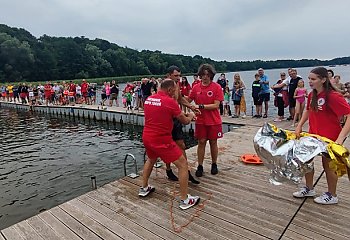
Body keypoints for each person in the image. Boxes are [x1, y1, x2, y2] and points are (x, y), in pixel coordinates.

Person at [140, 79, 200, 210]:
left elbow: (165, 112)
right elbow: (184, 121)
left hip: (147, 137)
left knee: (151, 159)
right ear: (170, 90)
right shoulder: (170, 102)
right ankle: (185, 200)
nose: (176, 93)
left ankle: (144, 188)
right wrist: (190, 115)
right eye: (175, 90)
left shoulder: (149, 99)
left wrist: (185, 114)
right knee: (183, 164)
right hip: (162, 139)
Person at [293, 67, 350, 205]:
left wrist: (340, 138)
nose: (310, 82)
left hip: (330, 137)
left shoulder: (333, 96)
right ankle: (309, 188)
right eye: (309, 79)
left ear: (323, 80)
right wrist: (300, 125)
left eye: (313, 79)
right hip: (314, 135)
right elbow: (308, 111)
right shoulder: (312, 95)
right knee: (306, 160)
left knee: (328, 166)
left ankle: (332, 194)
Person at [165, 66, 200, 184]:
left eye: (179, 75)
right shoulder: (164, 86)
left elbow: (180, 99)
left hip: (175, 118)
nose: (178, 78)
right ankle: (168, 169)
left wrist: (192, 107)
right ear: (169, 75)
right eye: (176, 76)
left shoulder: (176, 85)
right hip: (166, 120)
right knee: (167, 146)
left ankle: (186, 170)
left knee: (181, 144)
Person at [188, 64, 224, 177]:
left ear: (211, 75)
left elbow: (216, 105)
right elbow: (188, 100)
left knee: (213, 142)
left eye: (207, 75)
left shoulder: (216, 87)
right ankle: (200, 165)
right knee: (201, 142)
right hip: (200, 121)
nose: (205, 77)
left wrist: (201, 106)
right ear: (200, 75)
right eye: (203, 75)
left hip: (214, 120)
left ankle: (214, 164)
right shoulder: (196, 87)